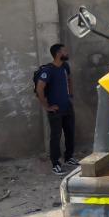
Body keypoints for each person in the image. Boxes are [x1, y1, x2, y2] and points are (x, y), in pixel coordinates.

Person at [34, 43, 76, 175]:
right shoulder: (48, 70)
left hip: (67, 107)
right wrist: (47, 106)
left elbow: (69, 80)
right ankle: (55, 164)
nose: (67, 52)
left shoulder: (65, 66)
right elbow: (39, 88)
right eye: (64, 51)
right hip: (56, 110)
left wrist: (70, 96)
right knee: (56, 136)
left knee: (70, 133)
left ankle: (69, 157)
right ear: (58, 54)